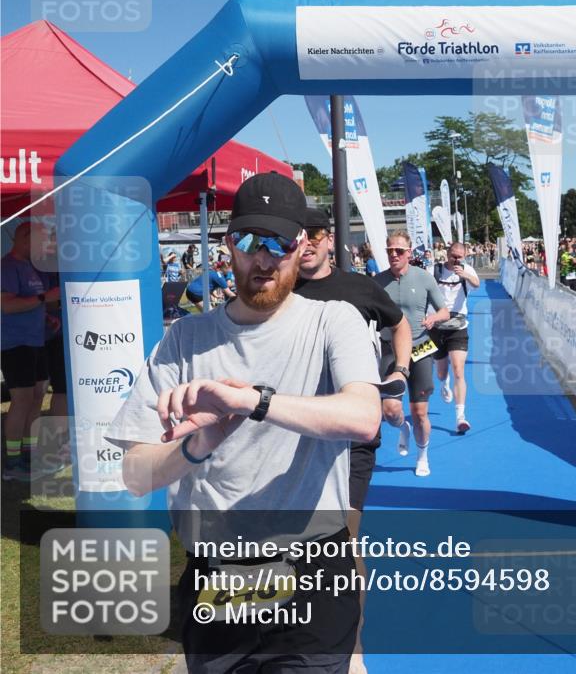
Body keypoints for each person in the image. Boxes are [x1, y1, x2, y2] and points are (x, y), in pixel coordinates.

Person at [110, 173, 382, 673]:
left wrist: (254, 401)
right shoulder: (185, 340)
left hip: (311, 572)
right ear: (228, 245)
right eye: (250, 241)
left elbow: (364, 417)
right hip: (217, 579)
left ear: (301, 246)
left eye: (278, 242)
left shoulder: (333, 321)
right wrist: (199, 444)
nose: (263, 258)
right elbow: (133, 475)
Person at [294, 209, 411, 674]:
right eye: (297, 237)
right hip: (296, 432)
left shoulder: (360, 288)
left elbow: (399, 324)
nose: (306, 245)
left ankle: (352, 647)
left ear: (329, 241)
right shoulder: (279, 290)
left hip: (352, 435)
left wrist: (397, 370)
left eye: (315, 236)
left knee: (342, 539)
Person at [374, 231, 450, 477]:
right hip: (390, 349)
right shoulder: (377, 281)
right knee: (390, 411)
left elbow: (445, 311)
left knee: (419, 413)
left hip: (419, 347)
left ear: (409, 253)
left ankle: (422, 455)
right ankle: (402, 427)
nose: (393, 255)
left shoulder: (424, 278)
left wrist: (433, 318)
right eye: (389, 251)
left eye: (399, 251)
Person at [1, 222, 56, 480]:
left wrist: (46, 317)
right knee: (21, 400)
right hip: (15, 343)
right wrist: (44, 299)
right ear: (24, 239)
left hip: (36, 341)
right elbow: (7, 306)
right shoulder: (8, 267)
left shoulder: (33, 268)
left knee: (37, 396)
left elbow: (33, 301)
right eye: (40, 241)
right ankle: (12, 463)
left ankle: (29, 454)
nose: (43, 247)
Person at [430, 242, 481, 434]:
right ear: (447, 254)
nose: (456, 260)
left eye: (460, 256)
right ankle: (444, 382)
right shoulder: (434, 270)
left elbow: (476, 283)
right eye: (453, 256)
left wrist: (465, 274)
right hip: (436, 326)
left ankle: (460, 416)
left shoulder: (467, 270)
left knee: (459, 370)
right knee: (441, 372)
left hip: (458, 326)